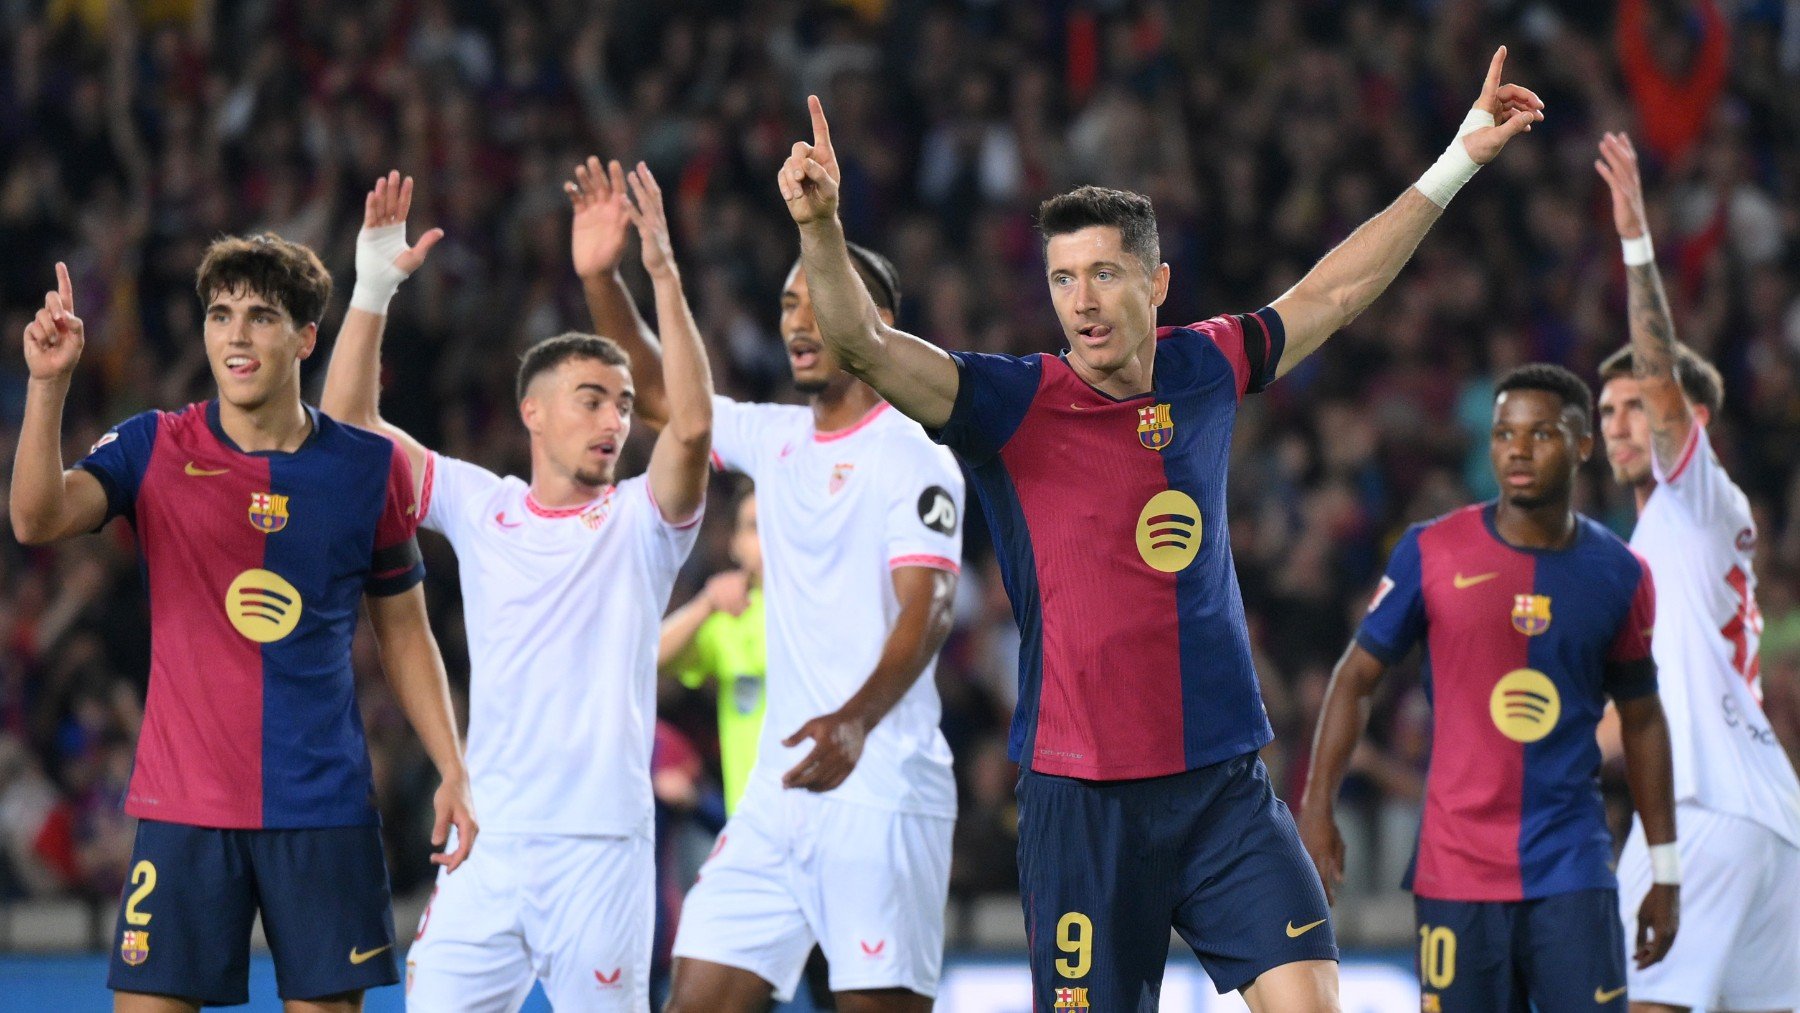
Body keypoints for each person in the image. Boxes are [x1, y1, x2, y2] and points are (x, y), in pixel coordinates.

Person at [778, 46, 1543, 1011]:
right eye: (1063, 279)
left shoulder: (1207, 364)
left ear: (1158, 282)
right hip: (1081, 797)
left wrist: (1458, 159)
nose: (1083, 301)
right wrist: (820, 228)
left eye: (1104, 274)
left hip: (1223, 787)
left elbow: (1337, 292)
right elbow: (864, 343)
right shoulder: (1011, 402)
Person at [9, 242, 476, 1012]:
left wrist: (451, 766)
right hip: (183, 808)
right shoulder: (154, 444)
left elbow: (404, 630)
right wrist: (48, 385)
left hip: (321, 808)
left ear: (304, 338)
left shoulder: (368, 467)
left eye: (261, 317)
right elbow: (36, 516)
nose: (235, 336)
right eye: (220, 315)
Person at [570, 158, 966, 1011]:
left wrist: (857, 721)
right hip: (776, 802)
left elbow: (929, 609)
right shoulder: (775, 438)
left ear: (878, 321)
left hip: (882, 789)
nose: (797, 320)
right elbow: (660, 395)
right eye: (787, 303)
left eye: (817, 298)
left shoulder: (915, 453)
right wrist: (604, 277)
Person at [319, 165, 712, 1012]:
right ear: (532, 412)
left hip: (601, 852)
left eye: (623, 404)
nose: (613, 420)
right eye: (591, 399)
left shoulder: (646, 523)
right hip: (486, 846)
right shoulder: (482, 504)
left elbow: (694, 422)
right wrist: (374, 286)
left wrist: (656, 276)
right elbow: (346, 429)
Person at [1300, 364, 1679, 1010]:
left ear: (1584, 444)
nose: (1519, 450)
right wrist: (1316, 803)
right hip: (1457, 873)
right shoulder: (1432, 552)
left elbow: (1643, 719)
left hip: (1572, 871)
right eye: (1504, 433)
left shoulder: (1620, 574)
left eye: (1541, 434)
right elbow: (1355, 677)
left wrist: (1666, 871)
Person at [1593, 131, 1800, 1013]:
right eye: (1605, 411)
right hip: (1774, 826)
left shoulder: (1699, 500)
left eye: (1637, 405)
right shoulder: (1649, 554)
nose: (1618, 424)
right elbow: (1615, 731)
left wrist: (1637, 241)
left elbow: (1666, 386)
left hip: (1699, 812)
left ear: (1692, 418)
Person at [659, 486, 765, 816]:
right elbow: (649, 658)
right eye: (755, 527)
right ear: (734, 544)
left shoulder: (831, 609)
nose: (771, 538)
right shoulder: (731, 617)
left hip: (830, 820)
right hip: (753, 823)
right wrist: (706, 602)